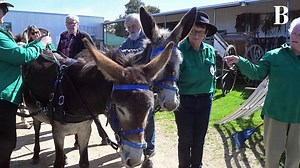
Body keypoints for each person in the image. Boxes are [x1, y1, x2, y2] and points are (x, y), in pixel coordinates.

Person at [223, 17, 300, 168]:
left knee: (295, 157)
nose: (295, 38)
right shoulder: (274, 55)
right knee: (272, 155)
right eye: (294, 33)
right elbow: (256, 73)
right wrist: (240, 61)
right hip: (276, 115)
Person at [0, 1, 52, 167]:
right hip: (3, 97)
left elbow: (16, 52)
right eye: (0, 16)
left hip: (6, 95)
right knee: (6, 142)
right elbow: (20, 56)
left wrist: (32, 44)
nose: (2, 21)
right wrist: (41, 43)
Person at [174, 11, 217, 168]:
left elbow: (213, 75)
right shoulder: (179, 51)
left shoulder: (210, 51)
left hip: (206, 100)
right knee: (185, 139)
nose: (196, 35)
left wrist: (212, 92)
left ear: (205, 34)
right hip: (185, 101)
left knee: (199, 139)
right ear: (188, 32)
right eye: (193, 31)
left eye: (200, 32)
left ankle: (197, 165)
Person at [118, 13, 155, 158]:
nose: (131, 29)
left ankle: (150, 147)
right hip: (129, 88)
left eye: (133, 26)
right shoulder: (126, 43)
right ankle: (129, 144)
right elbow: (119, 56)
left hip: (145, 86)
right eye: (128, 27)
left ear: (140, 25)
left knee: (149, 118)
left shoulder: (147, 42)